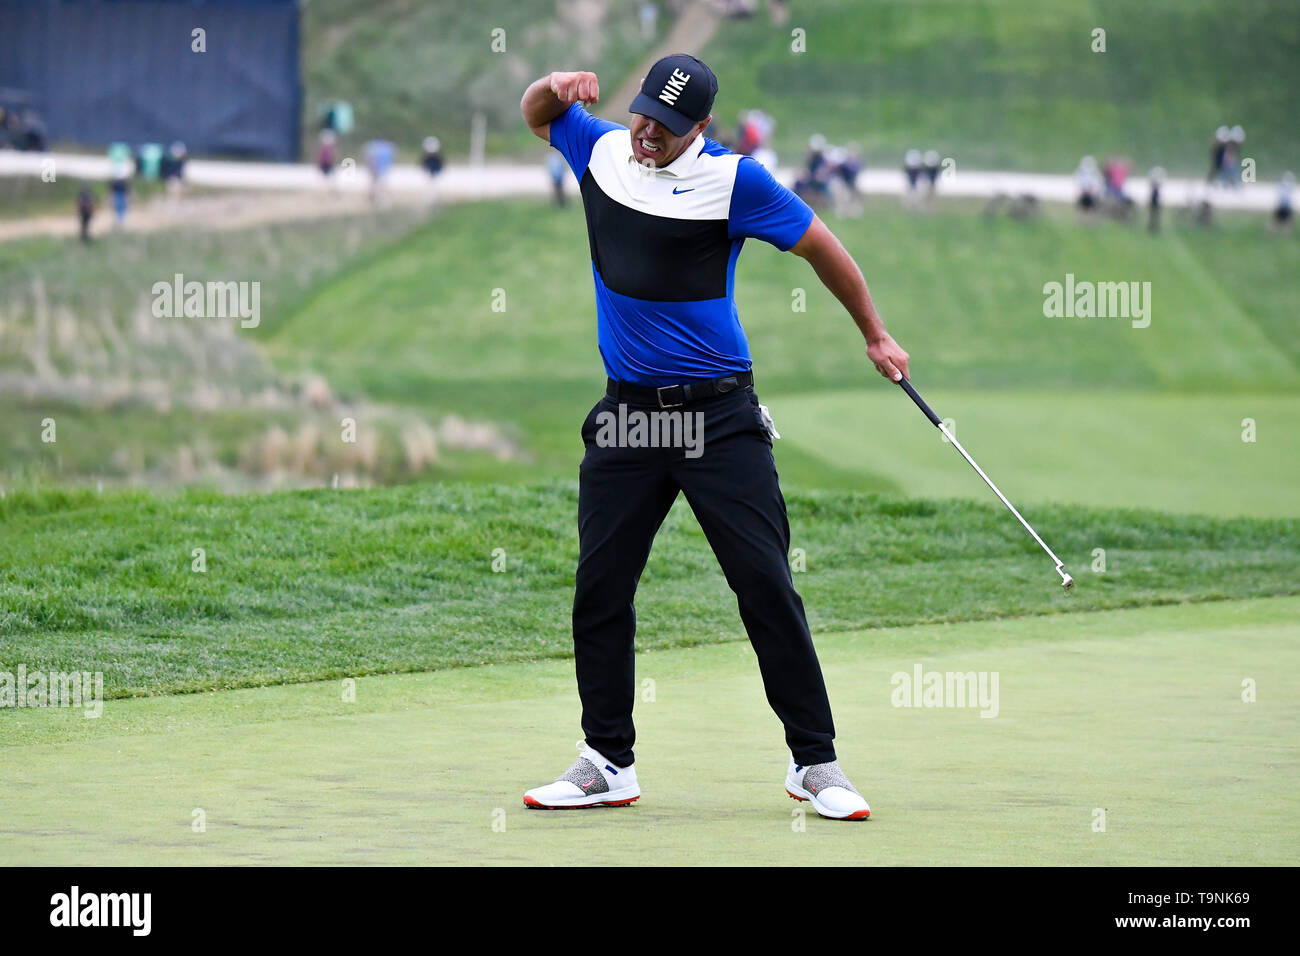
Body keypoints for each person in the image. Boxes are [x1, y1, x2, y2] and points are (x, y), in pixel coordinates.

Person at [518, 56, 910, 820]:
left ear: (700, 127)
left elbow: (822, 246)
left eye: (665, 127)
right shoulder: (599, 149)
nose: (646, 135)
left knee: (764, 583)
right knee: (600, 590)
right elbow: (536, 113)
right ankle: (607, 762)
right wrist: (553, 83)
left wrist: (875, 334)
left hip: (717, 418)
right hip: (629, 417)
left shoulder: (738, 182)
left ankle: (814, 763)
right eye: (640, 117)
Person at [1147, 166, 1165, 234]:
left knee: (1155, 215)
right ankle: (1152, 227)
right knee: (1153, 215)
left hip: (1155, 202)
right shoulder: (1155, 190)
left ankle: (1154, 227)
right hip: (1154, 202)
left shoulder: (1155, 190)